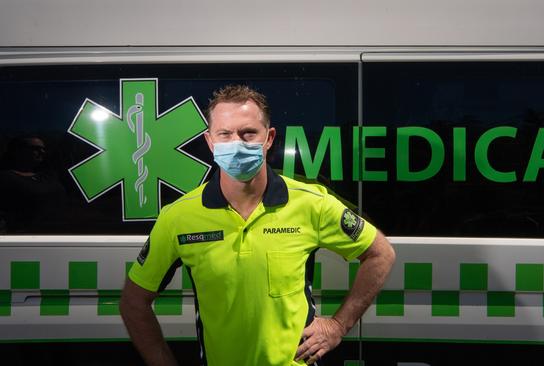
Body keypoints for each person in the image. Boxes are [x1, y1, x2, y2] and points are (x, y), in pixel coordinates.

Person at [119, 85, 395, 366]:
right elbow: (133, 302)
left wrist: (338, 326)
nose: (235, 143)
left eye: (248, 133)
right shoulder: (178, 217)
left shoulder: (311, 203)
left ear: (269, 138)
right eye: (224, 134)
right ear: (210, 141)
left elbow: (381, 253)